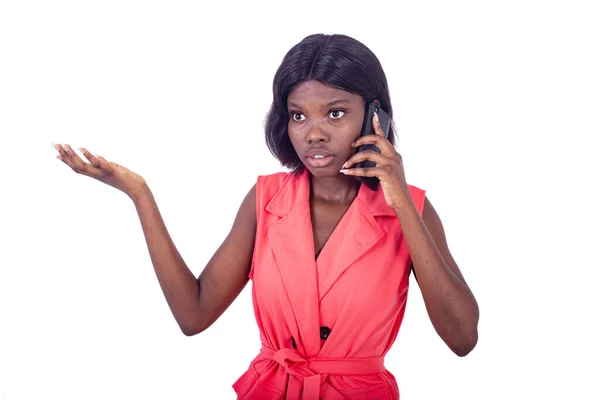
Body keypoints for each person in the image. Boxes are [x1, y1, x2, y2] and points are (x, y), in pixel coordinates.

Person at [52, 33, 479, 400]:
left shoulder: (411, 208)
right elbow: (194, 315)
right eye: (298, 114)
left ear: (375, 116)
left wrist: (400, 200)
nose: (314, 132)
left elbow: (462, 339)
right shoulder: (265, 200)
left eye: (335, 112)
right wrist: (140, 195)